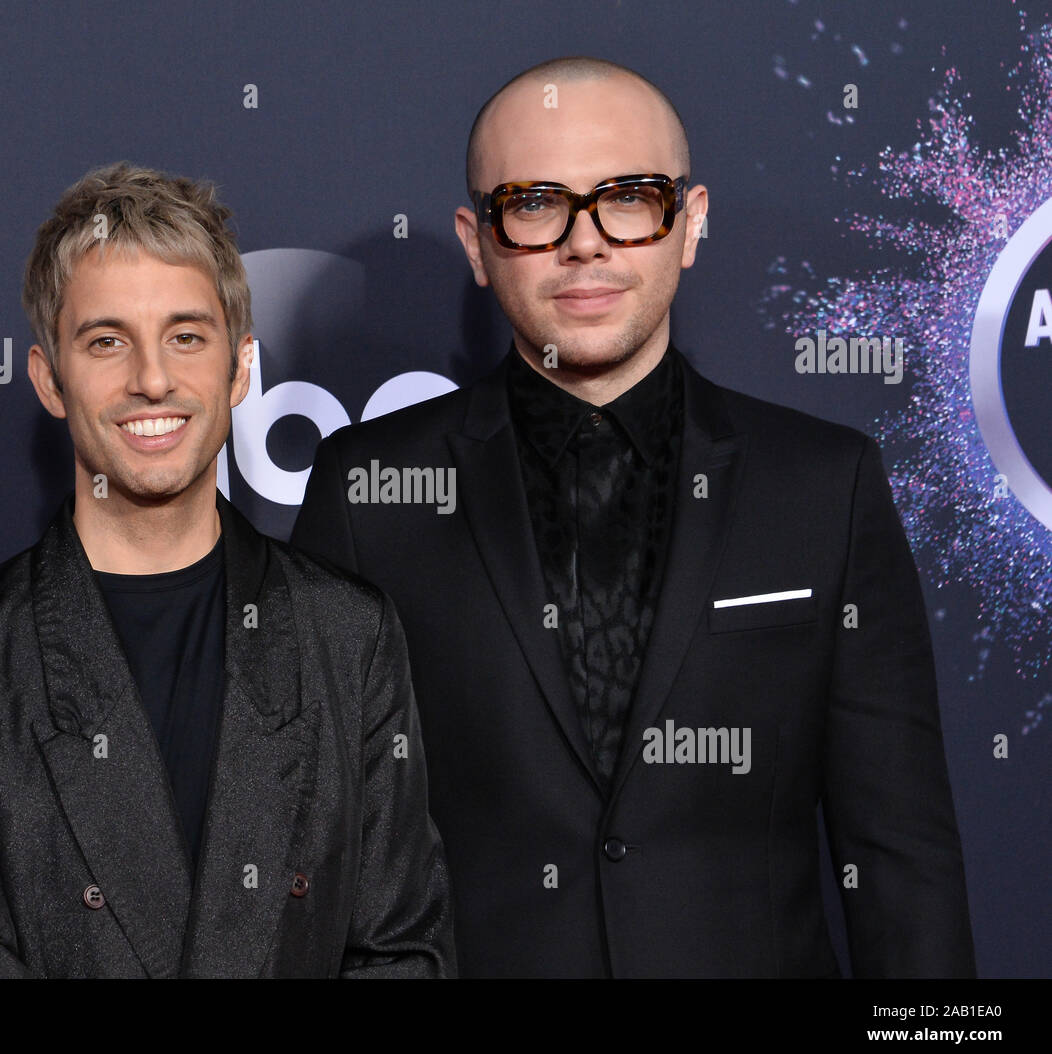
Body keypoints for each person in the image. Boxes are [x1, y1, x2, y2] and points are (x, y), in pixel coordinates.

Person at [292, 57, 975, 977]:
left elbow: (902, 861)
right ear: (474, 240)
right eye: (535, 203)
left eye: (630, 197)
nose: (586, 243)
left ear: (689, 224)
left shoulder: (822, 483)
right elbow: (323, 850)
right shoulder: (367, 489)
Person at [0, 162, 454, 978]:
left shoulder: (347, 635)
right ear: (48, 378)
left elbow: (401, 955)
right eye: (107, 340)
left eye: (186, 336)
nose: (151, 378)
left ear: (240, 368)